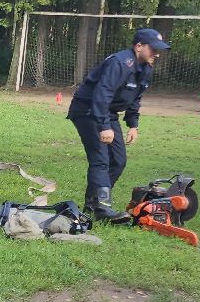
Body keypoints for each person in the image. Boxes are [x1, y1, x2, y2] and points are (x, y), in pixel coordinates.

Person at [67, 27, 168, 222]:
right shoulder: (120, 63)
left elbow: (135, 97)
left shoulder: (146, 68)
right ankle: (103, 209)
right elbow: (102, 93)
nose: (157, 53)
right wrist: (104, 126)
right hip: (88, 110)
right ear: (139, 46)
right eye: (153, 48)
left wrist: (133, 124)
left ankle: (93, 202)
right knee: (100, 160)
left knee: (118, 161)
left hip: (107, 112)